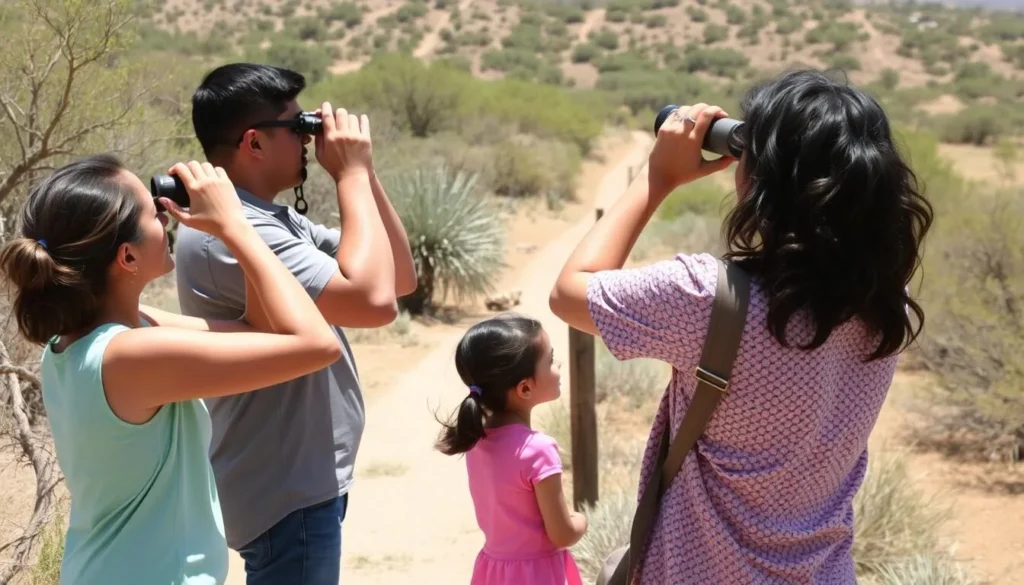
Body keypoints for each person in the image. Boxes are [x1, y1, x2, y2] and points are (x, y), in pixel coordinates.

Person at [548, 69, 934, 584]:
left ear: (763, 183)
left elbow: (569, 293)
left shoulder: (710, 299)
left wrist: (656, 178)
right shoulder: (888, 303)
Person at [0, 155, 341, 584]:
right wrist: (237, 226)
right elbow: (317, 345)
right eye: (154, 211)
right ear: (127, 256)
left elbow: (259, 329)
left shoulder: (82, 342)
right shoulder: (130, 355)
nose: (166, 214)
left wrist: (233, 229)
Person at [173, 62, 417, 584]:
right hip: (284, 487)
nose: (309, 140)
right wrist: (349, 175)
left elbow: (397, 278)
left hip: (298, 480)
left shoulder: (267, 219)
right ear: (254, 143)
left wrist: (363, 174)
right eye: (297, 128)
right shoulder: (229, 233)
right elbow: (373, 304)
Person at [434, 313, 588, 585]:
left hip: (493, 573)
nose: (558, 365)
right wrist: (582, 520)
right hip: (538, 576)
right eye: (550, 361)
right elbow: (562, 534)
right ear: (525, 388)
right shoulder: (538, 450)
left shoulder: (475, 439)